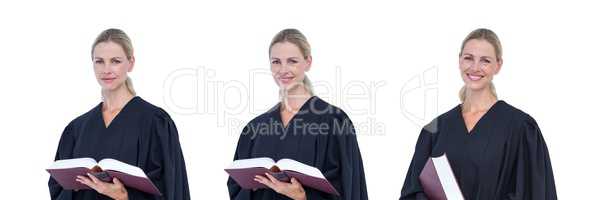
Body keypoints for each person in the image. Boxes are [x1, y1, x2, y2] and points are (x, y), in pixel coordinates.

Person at [399, 28, 557, 199]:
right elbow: (412, 192)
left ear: (498, 65)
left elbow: (532, 193)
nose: (475, 67)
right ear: (459, 60)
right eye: (468, 58)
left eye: (485, 61)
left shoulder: (521, 128)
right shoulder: (436, 129)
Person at [48, 28, 190, 200]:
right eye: (99, 61)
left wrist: (125, 196)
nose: (106, 70)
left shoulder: (156, 123)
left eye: (115, 61)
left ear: (131, 63)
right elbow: (57, 188)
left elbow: (172, 189)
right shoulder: (76, 129)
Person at [227, 28, 368, 200]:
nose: (283, 69)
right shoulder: (255, 128)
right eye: (276, 62)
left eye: (292, 61)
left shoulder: (334, 121)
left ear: (308, 62)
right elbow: (235, 187)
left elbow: (349, 188)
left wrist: (303, 197)